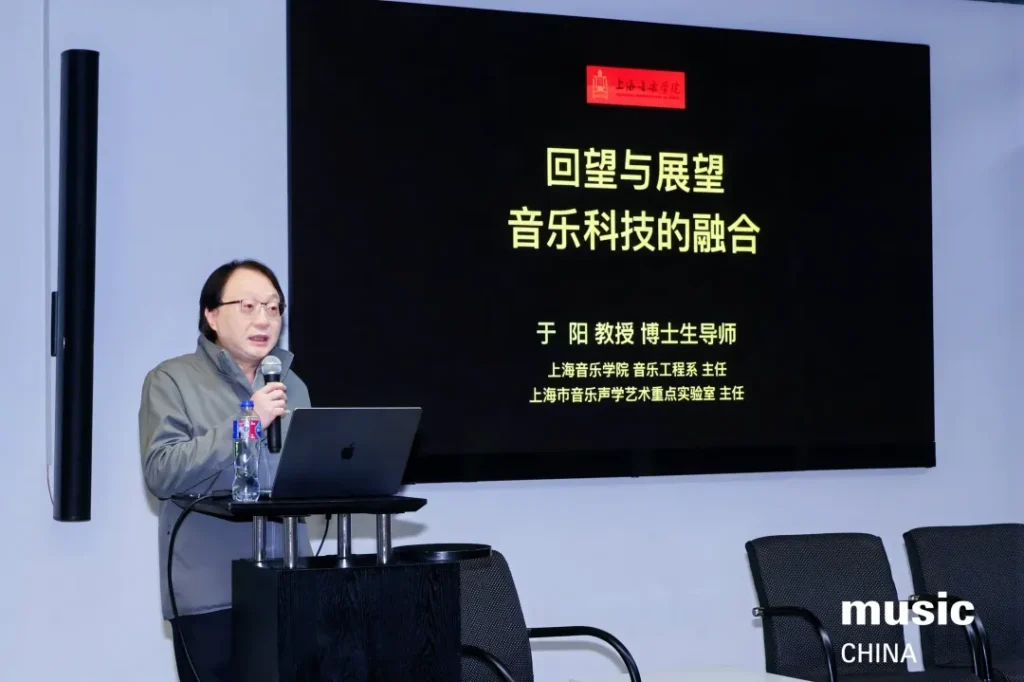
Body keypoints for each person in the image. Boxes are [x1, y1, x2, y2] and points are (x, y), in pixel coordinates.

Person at [138, 259, 312, 682]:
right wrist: (248, 423)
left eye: (273, 308)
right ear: (212, 316)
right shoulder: (171, 380)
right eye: (248, 306)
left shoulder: (293, 386)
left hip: (290, 586)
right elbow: (162, 471)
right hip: (210, 595)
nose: (264, 319)